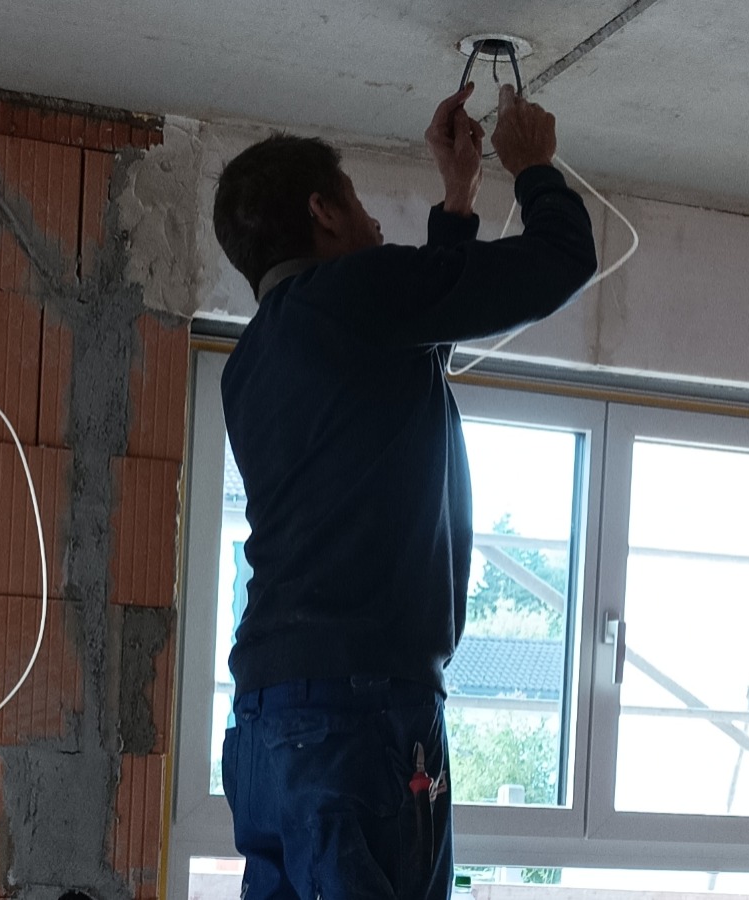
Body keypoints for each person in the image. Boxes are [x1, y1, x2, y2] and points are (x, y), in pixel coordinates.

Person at [213, 82, 598, 900]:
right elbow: (558, 263)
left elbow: (415, 345)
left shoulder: (253, 362)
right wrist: (534, 168)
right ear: (322, 211)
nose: (374, 222)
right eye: (356, 201)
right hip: (355, 714)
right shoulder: (351, 297)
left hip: (271, 730)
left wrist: (458, 198)